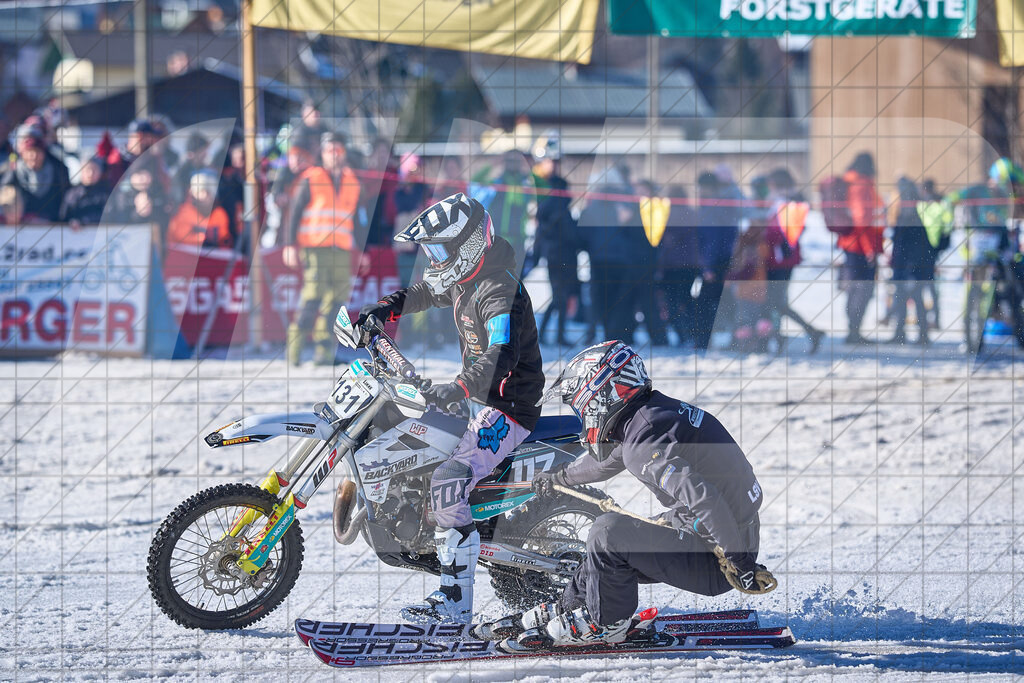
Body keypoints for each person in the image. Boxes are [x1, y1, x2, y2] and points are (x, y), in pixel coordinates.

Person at [355, 192, 545, 624]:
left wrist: (459, 386)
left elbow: (500, 353)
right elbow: (427, 291)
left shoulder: (500, 291)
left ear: (471, 244)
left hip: (507, 408)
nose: (434, 259)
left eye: (440, 250)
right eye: (430, 251)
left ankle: (455, 604)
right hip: (476, 398)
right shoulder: (466, 277)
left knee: (447, 480)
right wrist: (388, 308)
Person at [520, 340, 764, 646]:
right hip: (722, 532)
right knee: (603, 550)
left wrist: (739, 563)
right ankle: (569, 607)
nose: (583, 416)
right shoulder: (647, 417)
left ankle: (605, 623)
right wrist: (559, 478)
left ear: (601, 396)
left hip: (718, 559)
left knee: (608, 533)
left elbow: (703, 496)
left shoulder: (642, 442)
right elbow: (605, 462)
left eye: (581, 406)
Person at [283, 131, 361, 366]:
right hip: (315, 248)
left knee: (336, 304)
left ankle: (323, 354)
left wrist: (363, 249)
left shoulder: (352, 181)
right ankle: (293, 354)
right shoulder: (311, 178)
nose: (334, 155)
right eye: (329, 151)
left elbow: (356, 219)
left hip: (342, 249)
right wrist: (288, 245)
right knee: (313, 298)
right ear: (323, 154)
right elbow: (294, 214)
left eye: (338, 150)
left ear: (344, 153)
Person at [763, 168, 824, 352]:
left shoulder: (786, 204)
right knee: (776, 301)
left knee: (776, 302)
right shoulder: (784, 203)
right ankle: (779, 337)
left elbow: (778, 233)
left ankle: (809, 331)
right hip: (779, 259)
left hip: (781, 260)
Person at [837, 152, 885, 345]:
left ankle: (853, 331)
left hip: (851, 246)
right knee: (862, 290)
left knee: (855, 290)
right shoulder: (861, 186)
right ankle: (854, 332)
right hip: (860, 248)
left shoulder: (851, 183)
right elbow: (863, 221)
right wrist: (869, 250)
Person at [534, 161, 580, 347]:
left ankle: (549, 334)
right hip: (557, 257)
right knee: (559, 298)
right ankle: (547, 334)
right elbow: (565, 234)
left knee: (560, 297)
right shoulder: (554, 210)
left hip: (563, 257)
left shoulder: (557, 210)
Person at [694, 172, 741, 350]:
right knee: (726, 302)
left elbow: (712, 239)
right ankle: (736, 338)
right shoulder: (724, 206)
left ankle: (704, 341)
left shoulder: (711, 208)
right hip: (725, 260)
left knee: (706, 304)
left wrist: (708, 266)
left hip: (716, 263)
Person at [888, 177, 935, 345]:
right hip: (908, 266)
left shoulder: (910, 215)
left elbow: (913, 247)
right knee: (907, 298)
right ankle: (905, 334)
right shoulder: (908, 213)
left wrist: (910, 270)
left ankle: (918, 335)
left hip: (912, 267)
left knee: (912, 298)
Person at [657, 185, 700, 346]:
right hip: (691, 265)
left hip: (672, 266)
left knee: (672, 302)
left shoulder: (667, 216)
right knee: (686, 299)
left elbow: (665, 243)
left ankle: (683, 335)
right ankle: (692, 333)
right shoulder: (693, 214)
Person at [0, 124, 71, 222]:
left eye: (37, 151)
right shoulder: (12, 171)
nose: (33, 156)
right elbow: (5, 193)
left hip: (53, 226)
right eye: (29, 152)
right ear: (23, 153)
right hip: (22, 226)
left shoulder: (59, 170)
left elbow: (67, 199)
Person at [166, 169, 233, 248]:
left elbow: (224, 240)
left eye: (206, 192)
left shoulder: (219, 214)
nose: (201, 196)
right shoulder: (184, 212)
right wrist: (204, 238)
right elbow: (181, 238)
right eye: (198, 192)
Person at [60, 156, 110, 226]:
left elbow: (109, 216)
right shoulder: (72, 194)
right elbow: (63, 217)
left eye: (94, 169)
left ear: (100, 172)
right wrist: (72, 222)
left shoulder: (106, 194)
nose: (90, 173)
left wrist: (84, 222)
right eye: (87, 169)